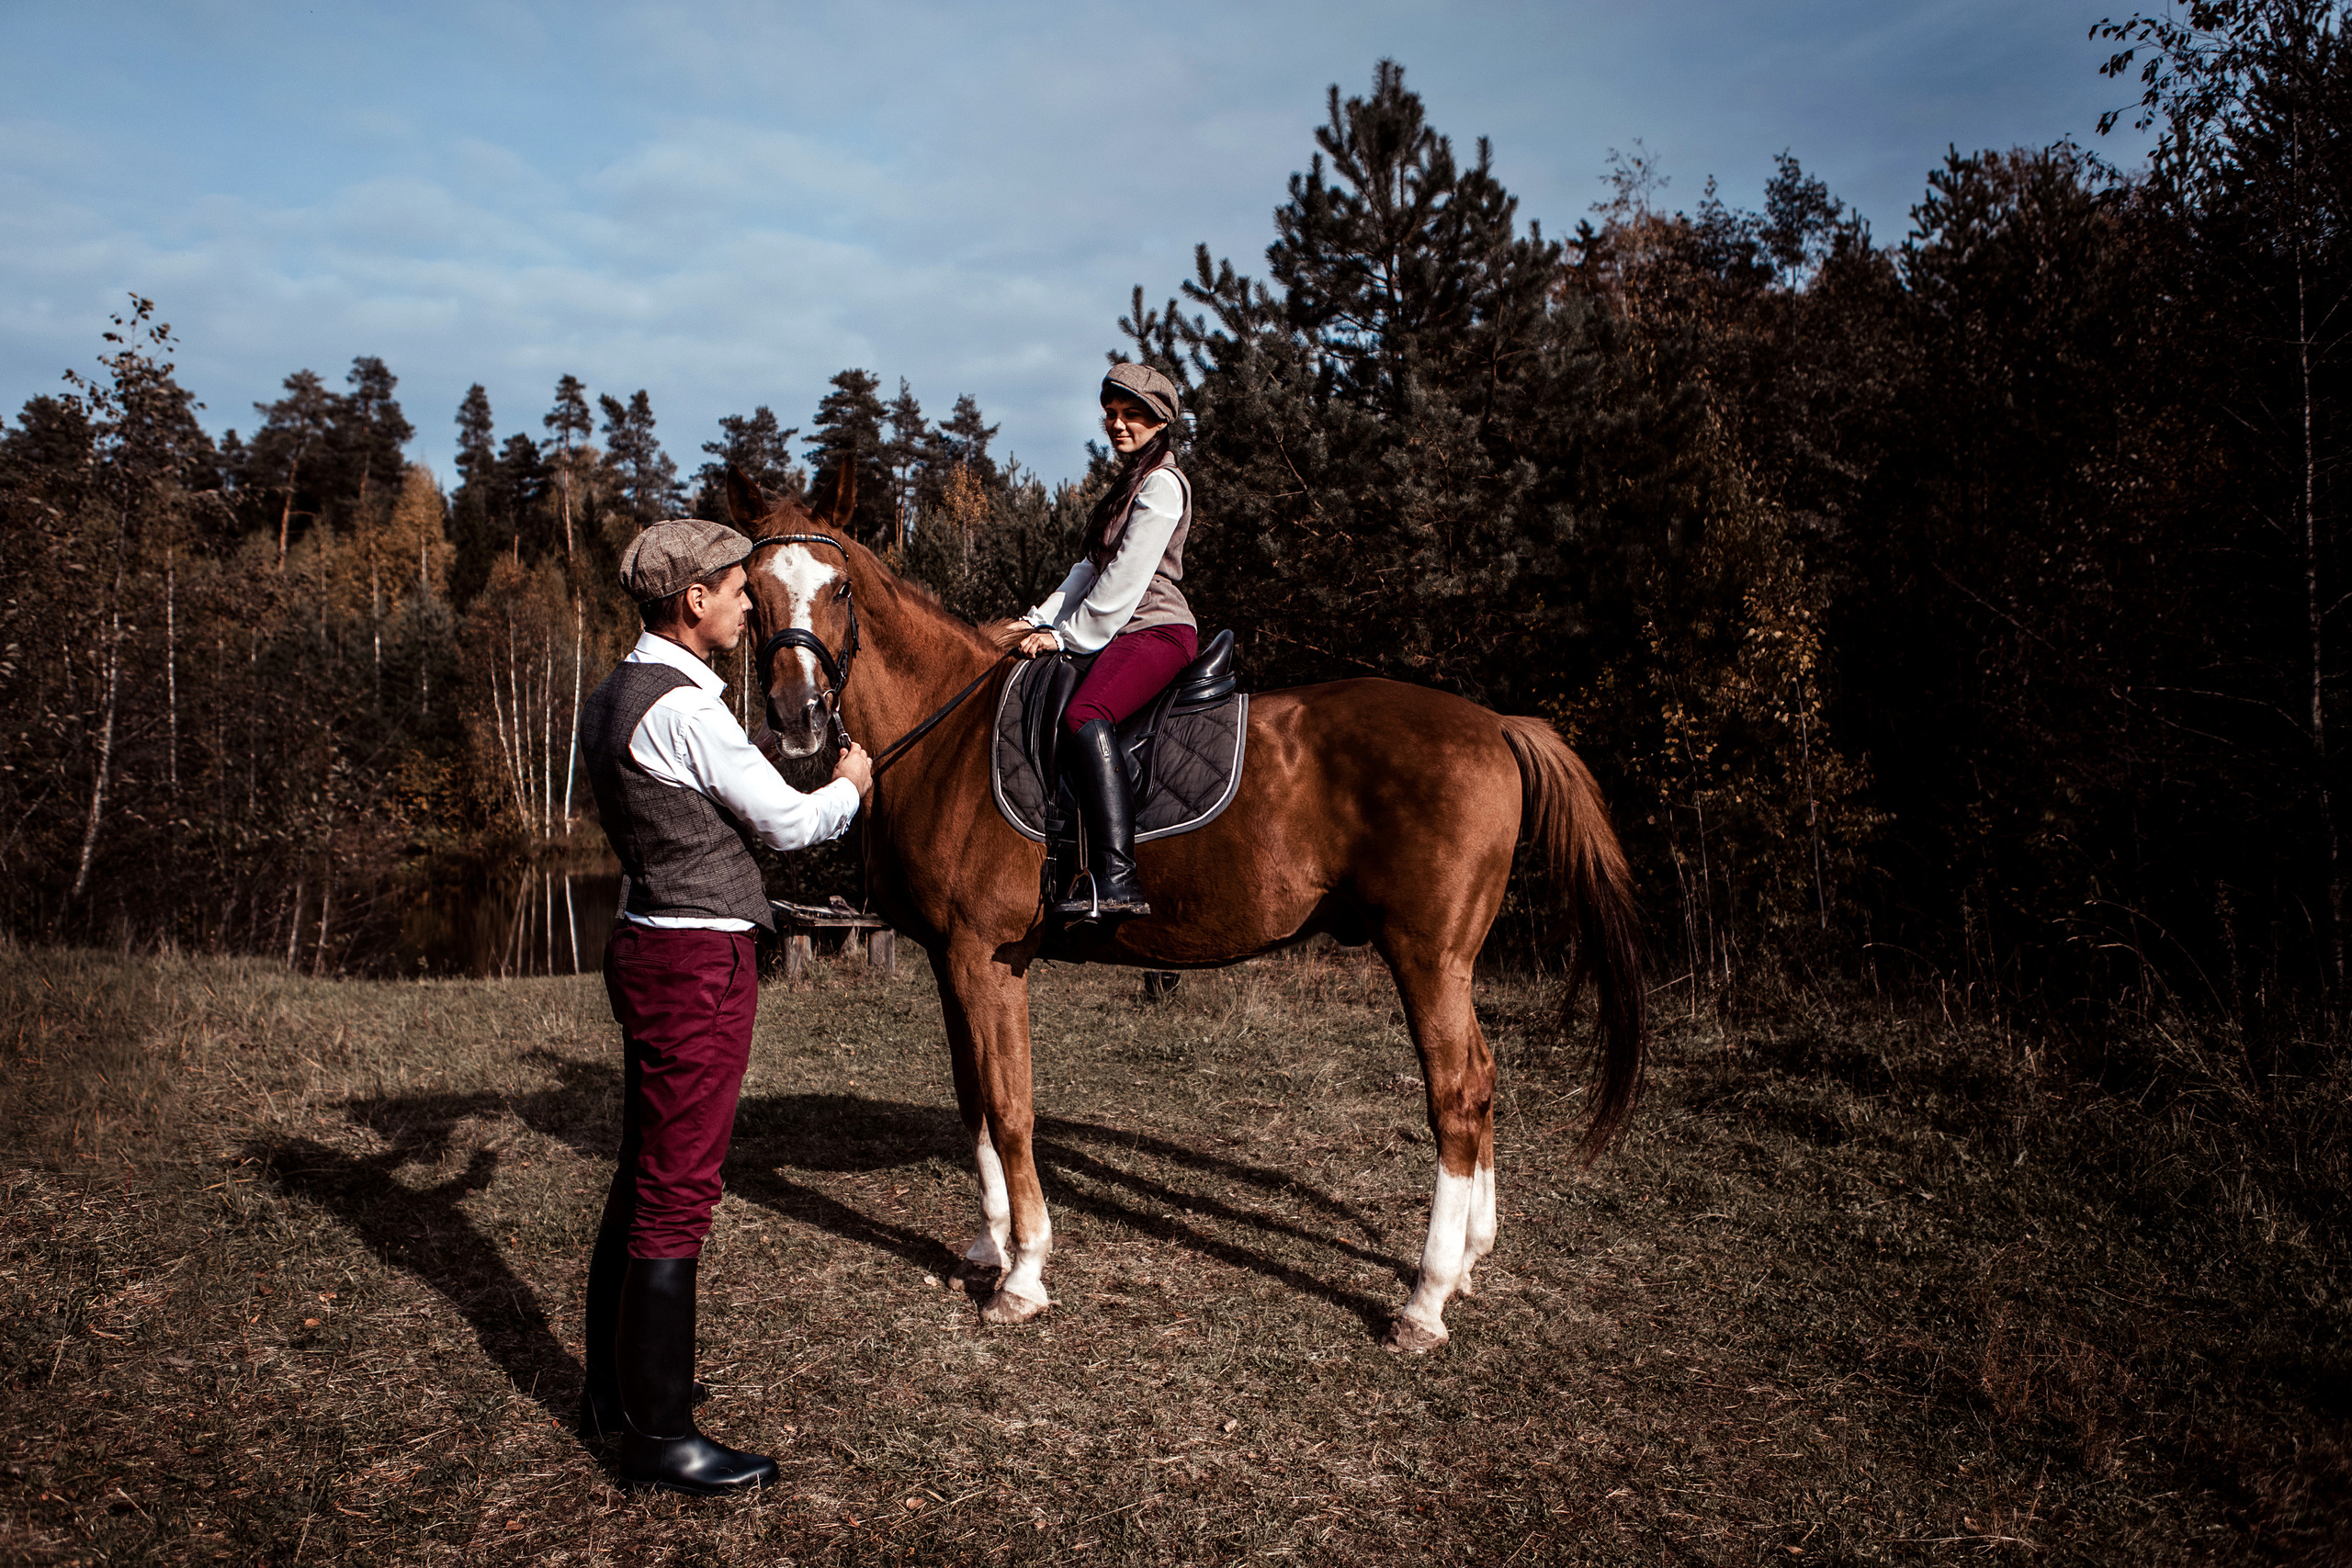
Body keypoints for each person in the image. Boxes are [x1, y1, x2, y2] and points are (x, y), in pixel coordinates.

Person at [576, 517, 873, 1495]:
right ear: (693, 600)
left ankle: (616, 1393)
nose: (751, 604)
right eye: (740, 589)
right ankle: (661, 1438)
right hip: (694, 963)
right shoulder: (685, 712)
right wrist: (849, 784)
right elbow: (787, 823)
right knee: (678, 1189)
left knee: (645, 1169)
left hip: (652, 944)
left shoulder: (621, 691)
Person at [999, 361, 1196, 921]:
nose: (1117, 424)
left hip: (1157, 627)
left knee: (1086, 714)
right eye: (1111, 414)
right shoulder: (1126, 486)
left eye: (1132, 415)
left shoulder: (1162, 484)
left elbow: (1125, 580)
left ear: (1159, 422)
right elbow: (1086, 572)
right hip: (1122, 628)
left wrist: (1065, 638)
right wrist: (1034, 622)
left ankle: (1116, 876)